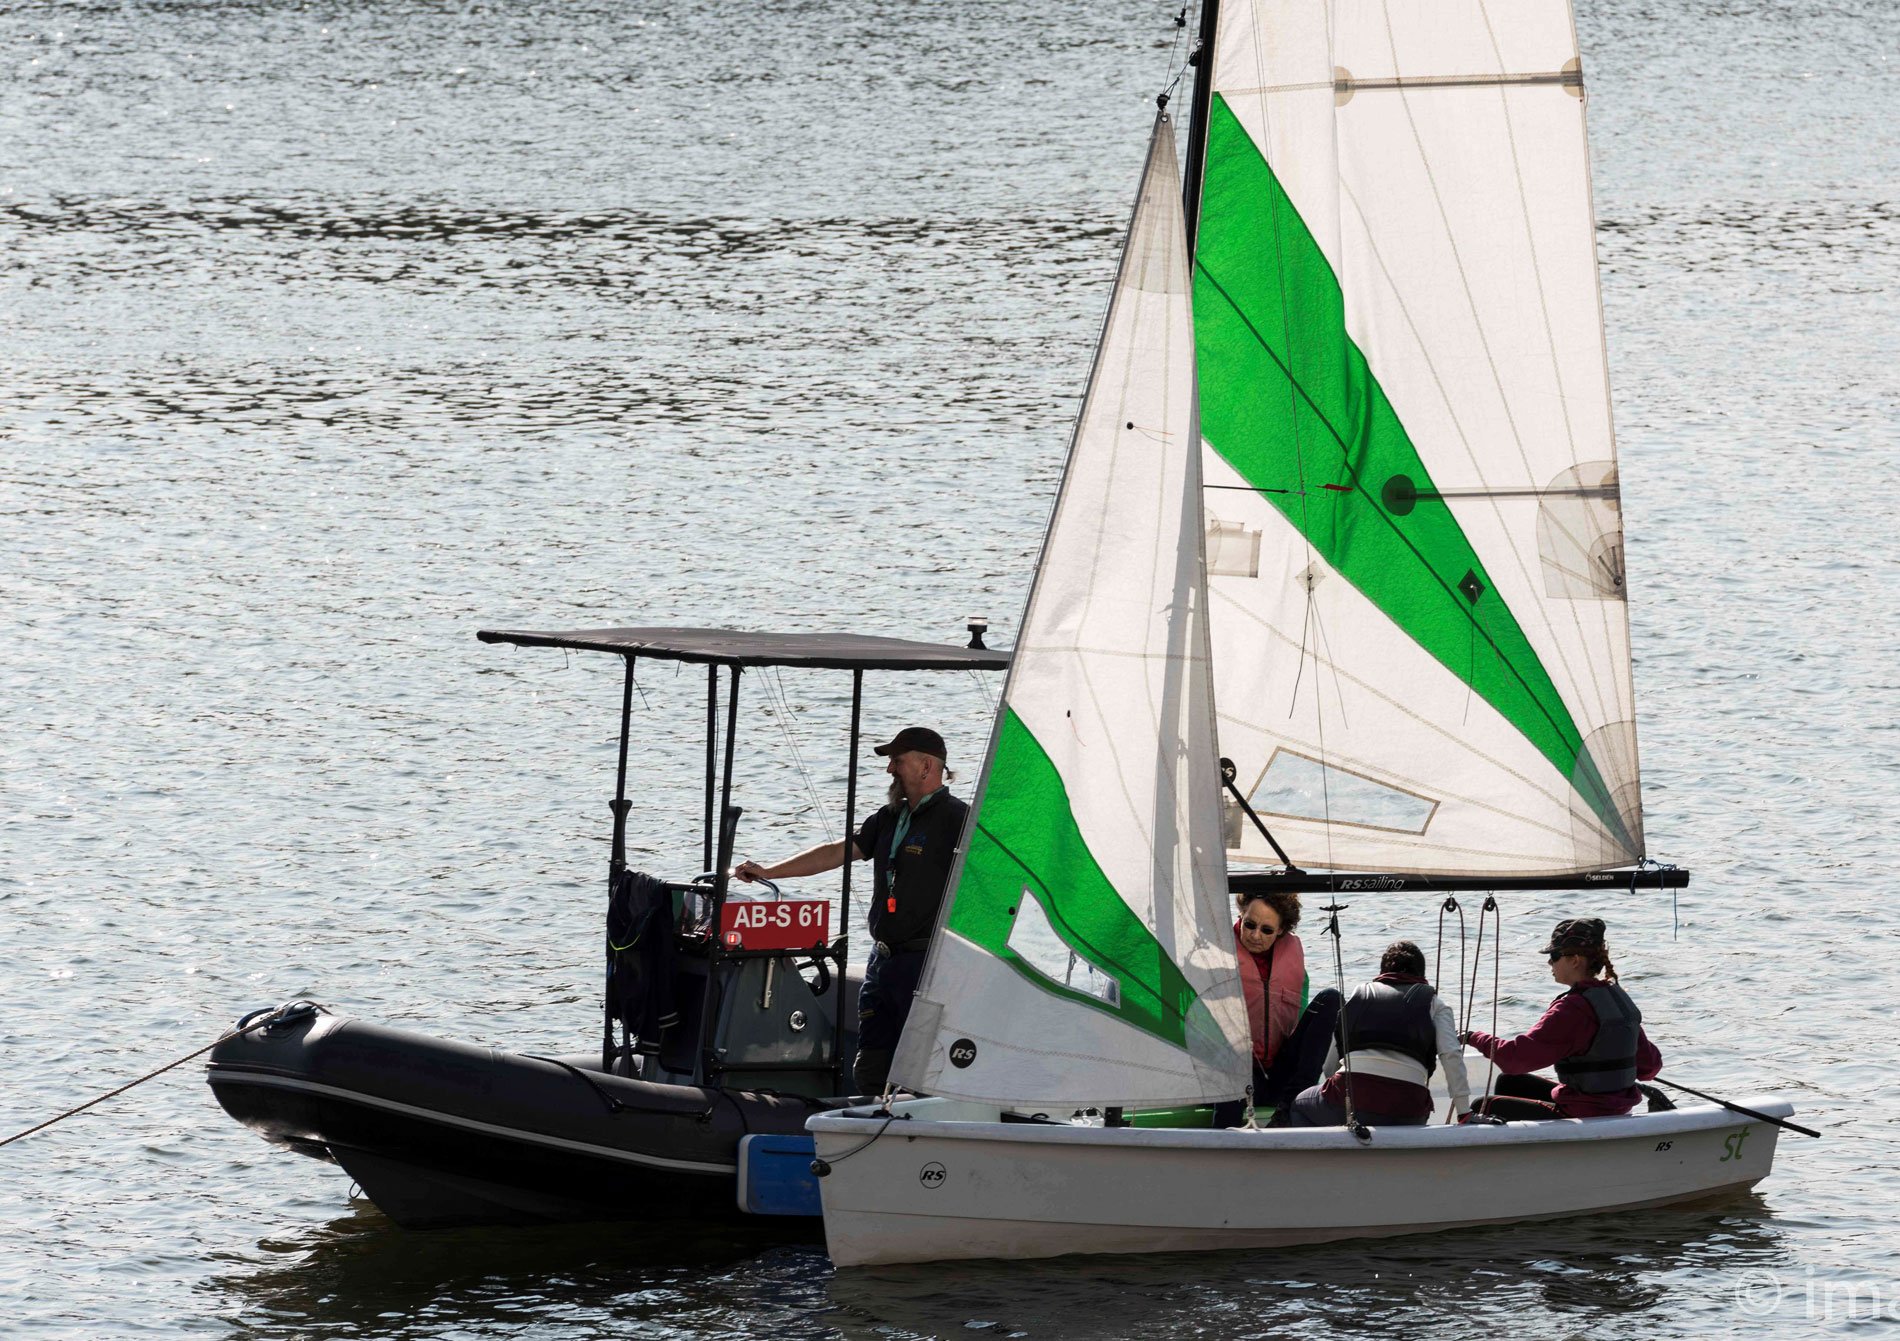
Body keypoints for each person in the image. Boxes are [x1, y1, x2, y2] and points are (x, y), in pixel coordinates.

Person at [733, 725, 965, 1095]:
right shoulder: (890, 816)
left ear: (925, 767)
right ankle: (867, 1126)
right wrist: (771, 871)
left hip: (924, 963)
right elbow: (836, 852)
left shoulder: (958, 819)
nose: (890, 769)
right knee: (870, 1065)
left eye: (897, 761)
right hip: (883, 960)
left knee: (919, 1069)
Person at [1460, 917, 1663, 1121]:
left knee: (1482, 1106)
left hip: (1585, 1114)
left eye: (1555, 955)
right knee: (1509, 1082)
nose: (1549, 962)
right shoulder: (1617, 999)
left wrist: (1472, 1037)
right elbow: (1649, 1068)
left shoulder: (1572, 1009)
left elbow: (1515, 1059)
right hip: (1614, 1110)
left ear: (1575, 960)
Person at [1289, 940, 1470, 1127]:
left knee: (1298, 1105)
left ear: (1382, 972)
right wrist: (1464, 1112)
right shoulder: (1436, 1004)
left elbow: (1329, 1067)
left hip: (1348, 1100)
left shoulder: (1358, 996)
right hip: (1409, 1109)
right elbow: (1451, 1054)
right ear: (1422, 975)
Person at [1216, 890, 1340, 1125]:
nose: (1254, 935)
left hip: (1278, 1075)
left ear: (1282, 930)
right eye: (1249, 924)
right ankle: (1222, 1139)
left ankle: (1291, 1107)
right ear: (1241, 915)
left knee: (1331, 998)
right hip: (1234, 1075)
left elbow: (1302, 1024)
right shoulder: (1217, 951)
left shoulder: (1292, 954)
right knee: (1229, 1058)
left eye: (1266, 930)